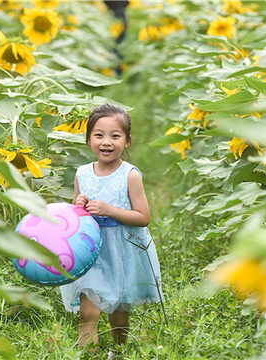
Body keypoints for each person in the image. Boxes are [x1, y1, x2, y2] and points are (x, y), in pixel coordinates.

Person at [60, 103, 164, 356]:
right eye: (99, 135)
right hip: (91, 249)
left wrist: (109, 209)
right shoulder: (82, 173)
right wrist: (79, 206)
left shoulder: (130, 175)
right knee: (88, 311)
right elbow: (77, 213)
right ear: (88, 140)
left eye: (115, 136)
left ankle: (119, 350)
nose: (106, 142)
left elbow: (143, 217)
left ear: (127, 141)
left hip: (121, 249)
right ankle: (89, 354)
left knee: (119, 314)